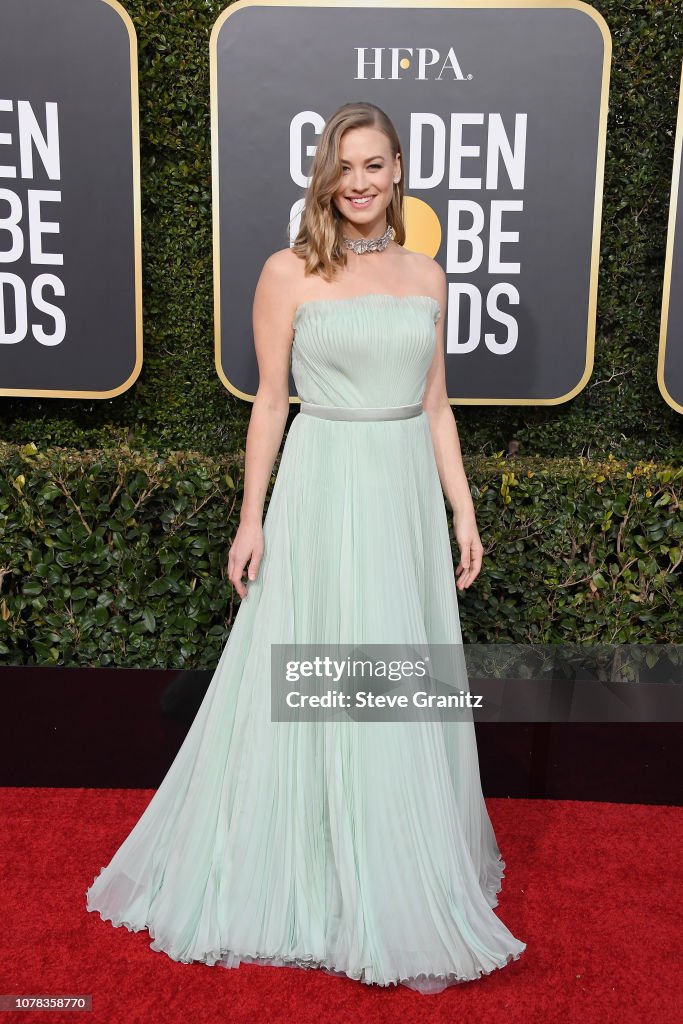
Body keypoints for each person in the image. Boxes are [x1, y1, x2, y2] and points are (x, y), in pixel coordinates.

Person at [86, 100, 526, 994]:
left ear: (398, 168)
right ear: (324, 178)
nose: (359, 182)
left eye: (374, 164)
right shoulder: (287, 273)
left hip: (401, 488)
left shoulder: (428, 275)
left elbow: (437, 404)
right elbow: (268, 403)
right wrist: (251, 520)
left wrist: (462, 509)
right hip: (324, 487)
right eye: (343, 167)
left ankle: (396, 858)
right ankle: (311, 866)